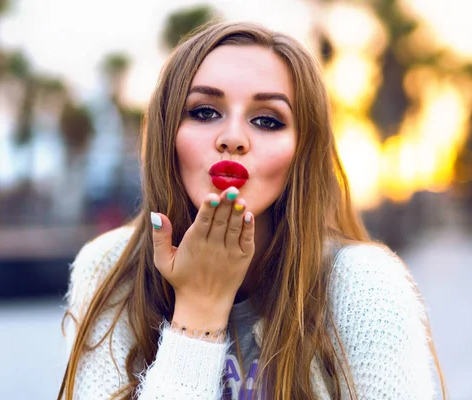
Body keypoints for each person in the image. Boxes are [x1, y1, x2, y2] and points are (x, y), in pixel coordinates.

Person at [58, 21, 445, 400]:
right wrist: (199, 311)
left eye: (267, 120)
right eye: (205, 112)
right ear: (167, 132)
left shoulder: (366, 285)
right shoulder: (110, 268)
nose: (232, 139)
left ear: (301, 152)